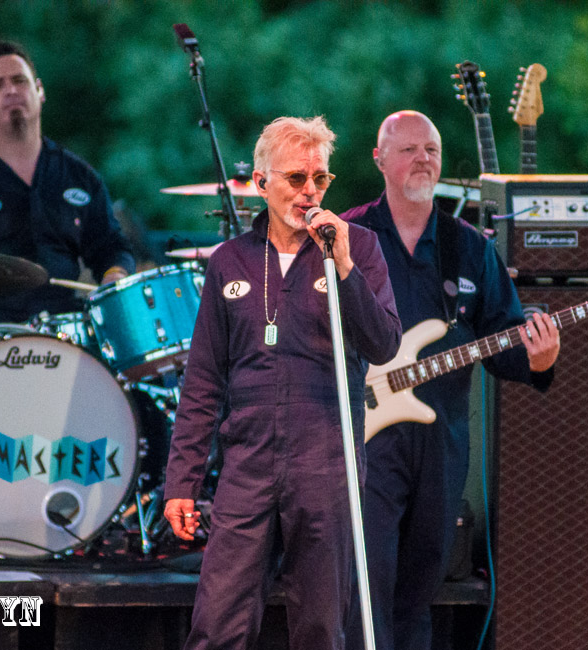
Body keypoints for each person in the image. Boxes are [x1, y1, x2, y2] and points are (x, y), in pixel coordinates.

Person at [163, 116, 403, 650]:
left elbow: (385, 343)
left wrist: (345, 267)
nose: (310, 191)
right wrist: (182, 481)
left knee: (320, 628)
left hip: (326, 465)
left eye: (320, 178)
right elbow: (203, 381)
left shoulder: (357, 248)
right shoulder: (231, 261)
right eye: (296, 178)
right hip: (247, 466)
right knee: (217, 624)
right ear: (261, 182)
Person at [341, 110, 561, 650]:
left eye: (432, 150)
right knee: (367, 588)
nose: (423, 159)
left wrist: (540, 359)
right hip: (366, 439)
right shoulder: (348, 237)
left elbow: (504, 341)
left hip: (442, 441)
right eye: (409, 150)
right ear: (379, 160)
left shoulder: (468, 247)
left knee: (421, 590)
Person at [0, 40, 135, 334]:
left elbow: (111, 247)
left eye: (19, 80)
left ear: (39, 90)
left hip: (62, 328)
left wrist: (115, 275)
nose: (10, 90)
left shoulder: (80, 177)